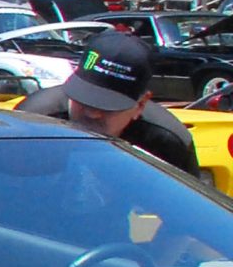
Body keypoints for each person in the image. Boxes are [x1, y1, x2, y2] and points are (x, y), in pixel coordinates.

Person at [16, 28, 201, 175]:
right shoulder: (30, 124)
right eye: (84, 100)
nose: (92, 113)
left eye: (107, 106)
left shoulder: (166, 141)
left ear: (140, 105)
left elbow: (189, 216)